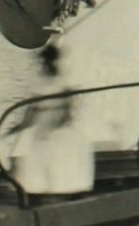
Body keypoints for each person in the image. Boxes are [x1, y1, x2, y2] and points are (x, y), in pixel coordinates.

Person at [8, 44, 96, 200]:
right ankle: (53, 193)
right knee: (46, 153)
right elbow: (37, 114)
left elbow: (65, 113)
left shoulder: (54, 84)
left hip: (52, 130)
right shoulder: (49, 84)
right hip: (48, 129)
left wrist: (51, 126)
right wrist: (19, 127)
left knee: (52, 150)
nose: (44, 66)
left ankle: (57, 193)